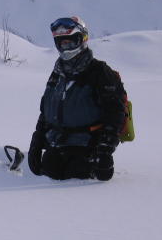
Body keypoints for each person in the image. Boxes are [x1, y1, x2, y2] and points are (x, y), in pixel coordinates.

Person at [28, 16, 127, 181]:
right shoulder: (57, 74)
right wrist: (36, 144)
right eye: (62, 43)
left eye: (70, 42)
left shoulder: (100, 72)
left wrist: (104, 150)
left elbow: (115, 114)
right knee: (45, 176)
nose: (66, 48)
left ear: (82, 40)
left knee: (76, 184)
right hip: (56, 146)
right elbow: (45, 112)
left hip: (87, 148)